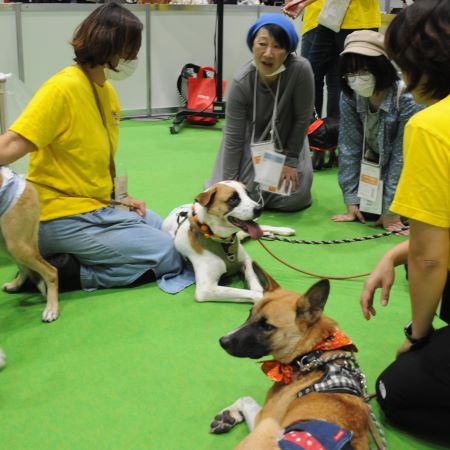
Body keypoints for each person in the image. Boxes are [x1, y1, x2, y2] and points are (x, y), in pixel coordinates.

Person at [0, 3, 187, 292]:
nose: (134, 57)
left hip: (94, 206)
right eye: (131, 49)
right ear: (111, 47)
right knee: (169, 255)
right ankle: (68, 274)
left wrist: (119, 197)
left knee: (161, 226)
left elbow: (91, 160)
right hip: (57, 214)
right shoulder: (62, 88)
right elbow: (12, 142)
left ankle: (71, 259)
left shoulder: (106, 92)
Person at [359, 0, 450, 443]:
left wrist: (417, 336)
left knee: (393, 390)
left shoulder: (432, 125)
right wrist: (399, 251)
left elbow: (431, 259)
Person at [205, 13, 314, 212]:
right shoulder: (241, 81)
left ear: (288, 51)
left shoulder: (301, 70)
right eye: (262, 44)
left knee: (294, 198)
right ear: (252, 44)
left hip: (289, 138)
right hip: (251, 139)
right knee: (249, 193)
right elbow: (233, 137)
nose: (268, 54)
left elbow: (302, 119)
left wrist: (290, 161)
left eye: (278, 46)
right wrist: (229, 184)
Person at [331, 30, 423, 233]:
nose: (357, 78)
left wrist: (391, 210)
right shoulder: (350, 95)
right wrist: (351, 200)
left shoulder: (407, 98)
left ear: (382, 67)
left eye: (364, 70)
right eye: (351, 72)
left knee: (404, 212)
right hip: (375, 167)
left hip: (415, 169)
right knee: (368, 211)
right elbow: (349, 146)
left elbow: (402, 156)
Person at [283, 0, 380, 118]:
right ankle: (315, 130)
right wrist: (303, 3)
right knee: (311, 76)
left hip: (358, 19)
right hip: (330, 17)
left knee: (354, 82)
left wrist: (304, 3)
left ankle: (340, 130)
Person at [300, 0, 340, 118]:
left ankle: (314, 130)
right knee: (335, 82)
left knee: (311, 80)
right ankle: (334, 131)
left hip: (316, 19)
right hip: (339, 19)